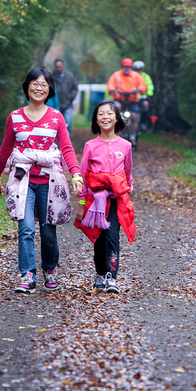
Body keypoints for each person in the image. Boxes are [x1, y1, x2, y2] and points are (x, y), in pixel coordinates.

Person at [0, 68, 84, 293]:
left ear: (50, 89)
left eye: (44, 84)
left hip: (49, 183)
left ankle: (50, 269)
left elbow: (67, 148)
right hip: (22, 182)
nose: (39, 87)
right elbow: (5, 149)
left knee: (47, 232)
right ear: (27, 86)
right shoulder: (14, 117)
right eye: (35, 83)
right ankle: (27, 275)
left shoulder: (56, 117)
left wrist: (76, 173)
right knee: (25, 230)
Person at [74, 100, 136, 294]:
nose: (105, 117)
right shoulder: (90, 146)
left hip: (116, 200)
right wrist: (81, 203)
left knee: (112, 236)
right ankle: (100, 274)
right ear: (96, 119)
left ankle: (112, 277)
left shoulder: (125, 146)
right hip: (95, 201)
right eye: (101, 114)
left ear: (117, 118)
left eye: (109, 113)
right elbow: (84, 176)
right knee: (99, 239)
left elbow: (128, 174)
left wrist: (126, 194)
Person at [106, 58, 146, 148]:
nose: (126, 69)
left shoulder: (136, 75)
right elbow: (110, 84)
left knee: (134, 116)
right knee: (115, 108)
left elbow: (142, 84)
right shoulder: (116, 75)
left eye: (128, 67)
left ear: (131, 67)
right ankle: (115, 132)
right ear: (122, 67)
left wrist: (141, 89)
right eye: (125, 67)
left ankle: (132, 137)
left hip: (132, 100)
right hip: (120, 99)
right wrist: (112, 89)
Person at [52, 58, 78, 137]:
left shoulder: (70, 76)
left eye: (60, 66)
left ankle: (67, 144)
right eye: (57, 67)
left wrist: (71, 97)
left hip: (68, 105)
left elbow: (75, 87)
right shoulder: (52, 76)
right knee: (55, 126)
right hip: (56, 106)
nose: (58, 68)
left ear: (63, 65)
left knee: (68, 124)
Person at [132, 60, 154, 132]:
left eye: (140, 70)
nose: (138, 71)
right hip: (131, 98)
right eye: (136, 70)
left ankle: (143, 122)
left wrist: (148, 94)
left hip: (142, 97)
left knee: (146, 105)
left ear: (143, 70)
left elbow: (150, 86)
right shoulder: (131, 76)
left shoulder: (145, 76)